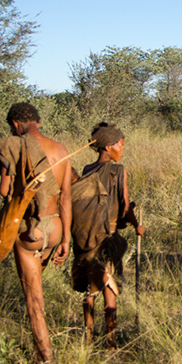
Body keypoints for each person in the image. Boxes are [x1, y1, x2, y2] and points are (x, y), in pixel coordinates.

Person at [0, 103, 73, 364]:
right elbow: (66, 197)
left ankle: (46, 363)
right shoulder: (61, 149)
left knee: (35, 301)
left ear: (14, 124)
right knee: (37, 289)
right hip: (55, 228)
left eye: (12, 127)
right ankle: (44, 353)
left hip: (30, 231)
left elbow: (4, 190)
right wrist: (66, 239)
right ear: (38, 123)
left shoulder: (15, 145)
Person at [70, 123, 145, 349]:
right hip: (105, 236)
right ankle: (111, 342)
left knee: (89, 289)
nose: (122, 150)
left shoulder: (86, 169)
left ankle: (89, 337)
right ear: (109, 146)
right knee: (109, 287)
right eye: (120, 146)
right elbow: (124, 207)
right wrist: (135, 224)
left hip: (84, 236)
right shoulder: (118, 171)